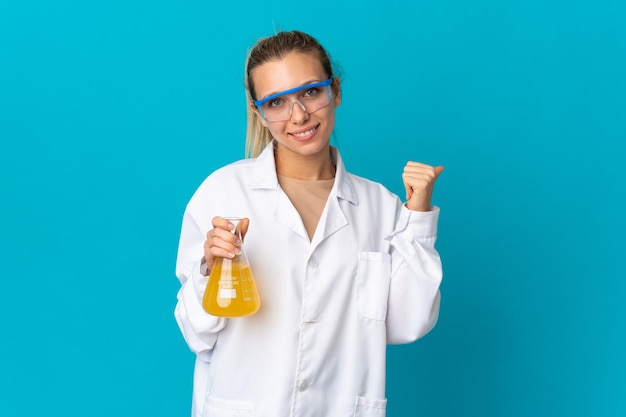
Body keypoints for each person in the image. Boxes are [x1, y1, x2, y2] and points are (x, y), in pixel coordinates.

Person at [174, 30, 444, 417]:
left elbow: (407, 323)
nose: (298, 115)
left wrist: (417, 217)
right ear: (259, 112)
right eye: (277, 102)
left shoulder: (380, 207)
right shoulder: (223, 193)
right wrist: (210, 273)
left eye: (310, 92)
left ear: (334, 91)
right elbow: (195, 334)